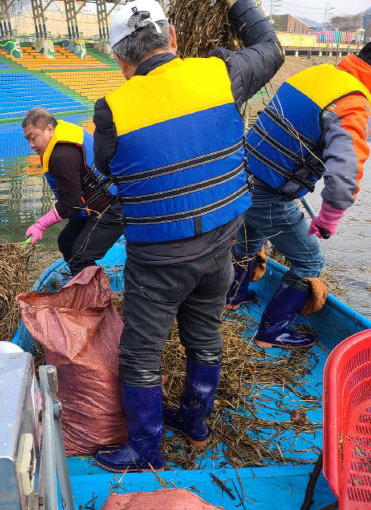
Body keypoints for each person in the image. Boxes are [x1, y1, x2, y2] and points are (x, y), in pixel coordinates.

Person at [91, 0, 283, 472]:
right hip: (221, 244)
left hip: (159, 259)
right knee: (204, 335)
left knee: (141, 352)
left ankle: (145, 449)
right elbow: (271, 49)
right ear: (172, 36)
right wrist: (238, 5)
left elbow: (106, 165)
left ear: (120, 59)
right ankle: (196, 425)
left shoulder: (111, 109)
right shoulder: (221, 74)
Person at [227, 43, 371, 348]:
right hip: (268, 191)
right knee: (309, 262)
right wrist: (328, 217)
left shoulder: (318, 74)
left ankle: (233, 296)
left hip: (240, 176)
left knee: (248, 243)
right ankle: (272, 331)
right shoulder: (352, 102)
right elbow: (346, 171)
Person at [22, 108, 124, 276]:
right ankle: (82, 280)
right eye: (28, 140)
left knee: (80, 256)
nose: (31, 145)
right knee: (66, 242)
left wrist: (41, 225)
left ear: (49, 129)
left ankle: (93, 299)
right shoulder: (60, 139)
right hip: (95, 204)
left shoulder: (62, 156)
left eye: (33, 138)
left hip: (112, 206)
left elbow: (70, 204)